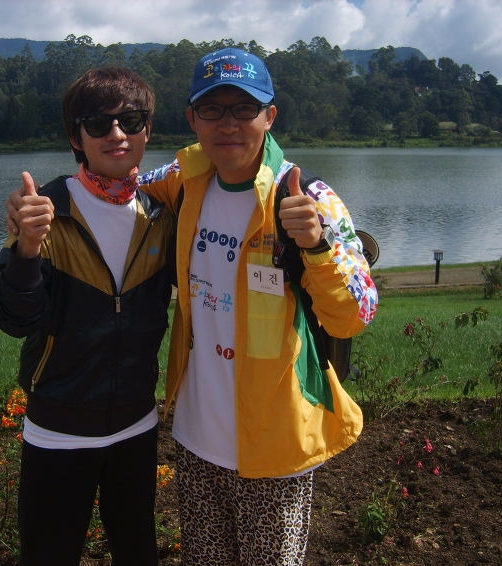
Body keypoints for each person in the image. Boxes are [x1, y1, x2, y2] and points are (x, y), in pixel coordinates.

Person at [134, 47, 379, 564]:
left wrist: (315, 246)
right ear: (193, 119)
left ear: (269, 116)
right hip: (196, 435)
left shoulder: (309, 197)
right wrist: (45, 204)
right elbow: (121, 185)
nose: (229, 124)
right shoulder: (184, 178)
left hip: (275, 443)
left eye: (244, 108)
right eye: (213, 109)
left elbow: (355, 315)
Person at [0, 66, 174, 565]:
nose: (116, 134)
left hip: (136, 426)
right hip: (58, 431)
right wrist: (27, 249)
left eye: (130, 121)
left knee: (138, 553)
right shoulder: (45, 211)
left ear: (147, 129)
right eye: (98, 123)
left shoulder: (160, 214)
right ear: (77, 137)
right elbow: (14, 319)